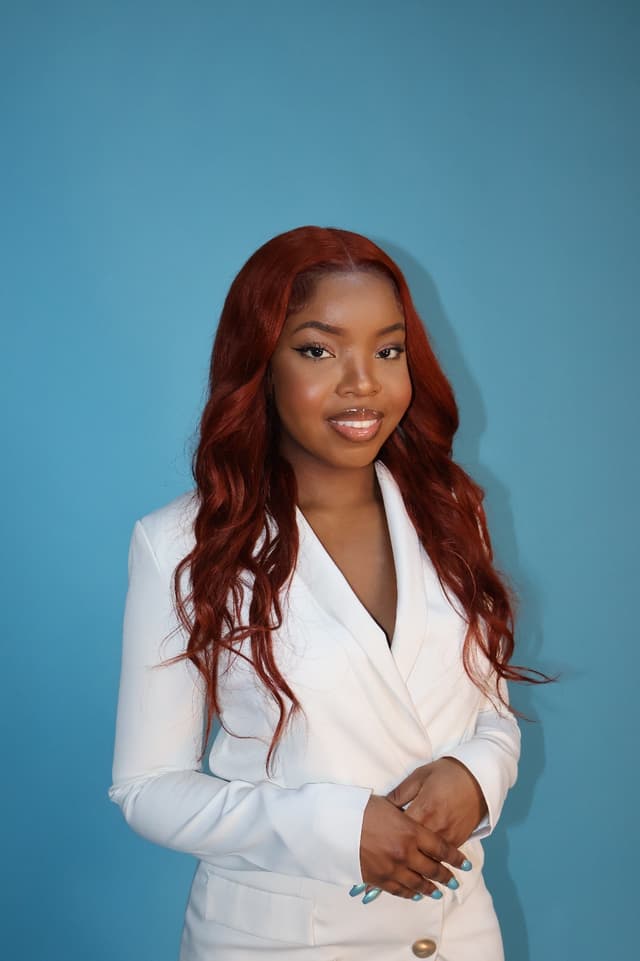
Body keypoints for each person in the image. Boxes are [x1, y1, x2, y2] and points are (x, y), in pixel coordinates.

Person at [108, 225, 538, 961]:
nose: (362, 381)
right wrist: (337, 830)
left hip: (458, 933)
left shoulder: (453, 510)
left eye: (387, 349)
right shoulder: (181, 542)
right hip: (276, 943)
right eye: (318, 349)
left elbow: (491, 715)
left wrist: (476, 775)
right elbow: (146, 788)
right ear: (260, 365)